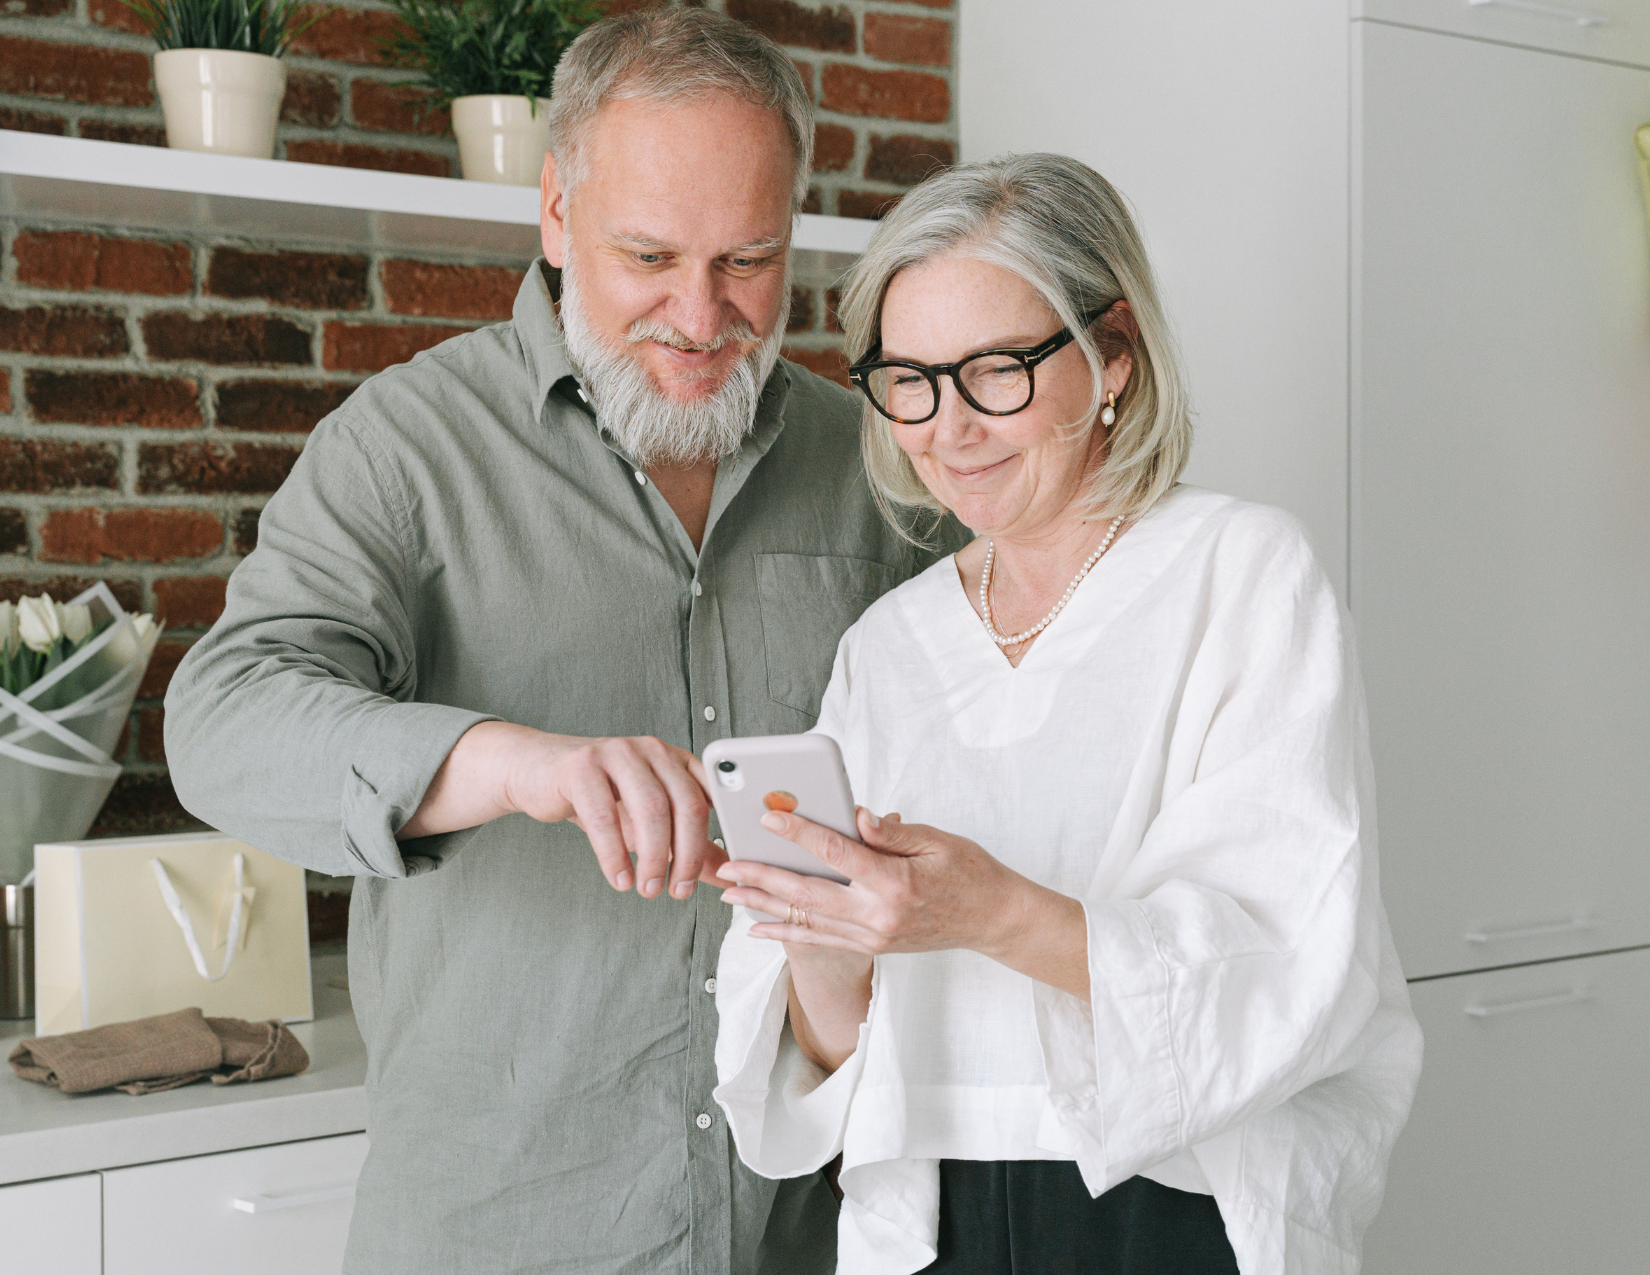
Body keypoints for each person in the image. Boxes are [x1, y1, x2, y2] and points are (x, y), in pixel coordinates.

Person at [165, 10, 956, 1273]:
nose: (703, 317)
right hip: (503, 1233)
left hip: (812, 1234)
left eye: (750, 260)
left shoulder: (876, 461)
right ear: (553, 213)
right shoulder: (405, 447)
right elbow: (223, 719)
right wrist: (506, 763)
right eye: (649, 254)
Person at [710, 153, 1424, 1275]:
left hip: (1165, 1211)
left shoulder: (1239, 574)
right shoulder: (889, 647)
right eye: (909, 378)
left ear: (1114, 359)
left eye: (995, 370)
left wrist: (991, 910)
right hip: (928, 1225)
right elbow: (826, 1064)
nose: (948, 427)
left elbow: (1293, 960)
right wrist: (826, 948)